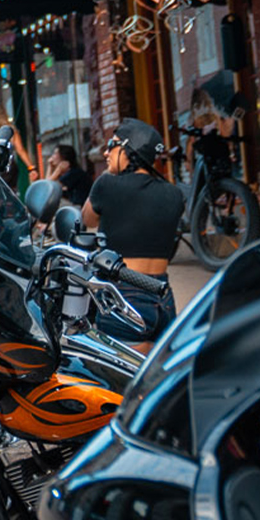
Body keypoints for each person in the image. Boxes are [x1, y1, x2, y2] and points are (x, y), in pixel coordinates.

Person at [83, 118, 183, 350]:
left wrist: (107, 177)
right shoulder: (174, 194)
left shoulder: (107, 185)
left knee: (119, 380)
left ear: (129, 150)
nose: (106, 152)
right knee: (159, 379)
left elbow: (87, 219)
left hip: (124, 294)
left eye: (112, 144)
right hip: (163, 296)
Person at [0, 99, 34, 191]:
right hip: (9, 167)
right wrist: (31, 167)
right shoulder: (11, 130)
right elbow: (20, 150)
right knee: (11, 192)